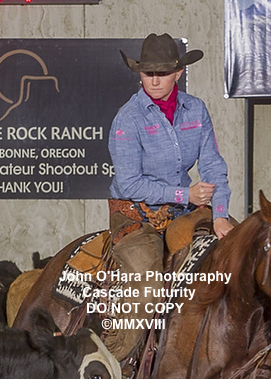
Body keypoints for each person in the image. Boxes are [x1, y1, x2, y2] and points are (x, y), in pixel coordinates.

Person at [106, 33, 234, 360]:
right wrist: (184, 193)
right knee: (148, 287)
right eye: (148, 73)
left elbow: (213, 167)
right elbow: (129, 184)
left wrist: (220, 214)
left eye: (162, 73)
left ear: (178, 72)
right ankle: (116, 362)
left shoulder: (196, 110)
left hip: (182, 211)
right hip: (135, 214)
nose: (154, 80)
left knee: (236, 257)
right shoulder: (128, 119)